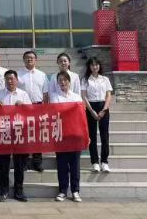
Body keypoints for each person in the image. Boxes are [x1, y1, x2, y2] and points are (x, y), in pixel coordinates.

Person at [0, 69, 31, 202]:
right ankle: (3, 191)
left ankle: (18, 191)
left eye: (12, 79)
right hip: (4, 131)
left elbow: (31, 112)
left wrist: (23, 106)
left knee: (19, 163)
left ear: (17, 80)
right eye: (7, 79)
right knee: (4, 163)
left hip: (19, 132)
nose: (10, 81)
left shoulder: (23, 94)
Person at [51, 71, 83, 203]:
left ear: (69, 82)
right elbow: (56, 112)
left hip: (75, 134)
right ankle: (63, 190)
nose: (63, 82)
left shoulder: (77, 97)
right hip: (61, 135)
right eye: (60, 80)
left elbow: (81, 116)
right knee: (62, 164)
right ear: (57, 83)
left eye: (65, 80)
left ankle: (75, 191)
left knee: (75, 164)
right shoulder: (54, 97)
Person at [81, 56, 113, 173]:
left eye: (97, 64)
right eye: (92, 65)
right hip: (91, 107)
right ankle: (95, 162)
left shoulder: (105, 79)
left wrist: (104, 109)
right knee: (92, 136)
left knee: (105, 136)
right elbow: (84, 96)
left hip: (103, 107)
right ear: (89, 67)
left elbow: (108, 95)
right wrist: (91, 111)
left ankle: (104, 162)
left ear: (99, 66)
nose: (95, 67)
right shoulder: (85, 80)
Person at [17, 50, 47, 172]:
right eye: (27, 58)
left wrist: (44, 108)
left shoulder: (42, 75)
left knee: (37, 135)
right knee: (24, 134)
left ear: (36, 60)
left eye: (32, 58)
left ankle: (37, 162)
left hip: (37, 106)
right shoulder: (18, 74)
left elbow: (45, 93)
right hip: (23, 107)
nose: (29, 59)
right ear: (23, 60)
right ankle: (24, 162)